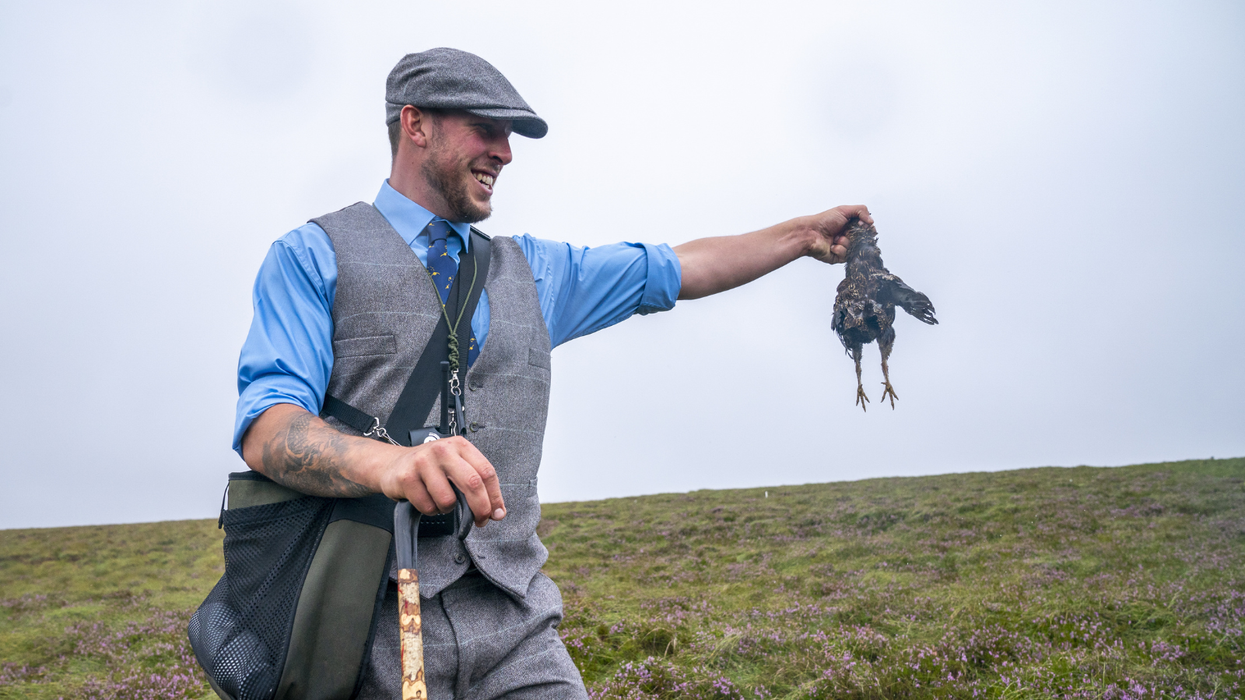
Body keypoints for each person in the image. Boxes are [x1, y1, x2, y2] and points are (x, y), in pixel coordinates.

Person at [234, 47, 871, 700]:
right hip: (359, 626)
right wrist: (387, 464)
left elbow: (677, 268)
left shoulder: (534, 272)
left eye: (509, 137)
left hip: (516, 624)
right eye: (486, 128)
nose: (504, 152)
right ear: (415, 124)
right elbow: (269, 427)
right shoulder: (312, 257)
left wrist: (799, 236)